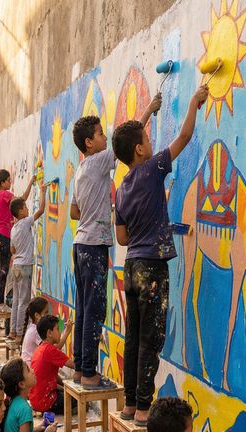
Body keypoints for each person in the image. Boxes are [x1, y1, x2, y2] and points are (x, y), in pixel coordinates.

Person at [112, 85, 208, 426]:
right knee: (151, 338)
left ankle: (128, 404)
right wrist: (194, 102)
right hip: (152, 267)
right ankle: (142, 408)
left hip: (131, 266)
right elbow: (184, 136)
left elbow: (121, 236)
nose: (152, 143)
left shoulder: (121, 188)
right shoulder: (153, 169)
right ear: (140, 149)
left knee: (134, 334)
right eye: (148, 140)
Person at [69, 94, 162, 390]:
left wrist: (96, 209)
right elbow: (126, 142)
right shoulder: (98, 162)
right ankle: (90, 373)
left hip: (80, 243)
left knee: (83, 308)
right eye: (99, 134)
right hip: (94, 246)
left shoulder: (81, 170)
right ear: (89, 144)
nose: (104, 137)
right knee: (95, 310)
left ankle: (80, 368)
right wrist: (149, 109)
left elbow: (74, 211)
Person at [0, 357, 76, 432]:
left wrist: (41, 428)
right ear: (22, 384)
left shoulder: (13, 401)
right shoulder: (24, 408)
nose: (33, 371)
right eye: (28, 370)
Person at [0, 169, 37, 312]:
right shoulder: (4, 194)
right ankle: (0, 304)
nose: (10, 182)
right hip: (4, 235)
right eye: (9, 180)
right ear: (2, 183)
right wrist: (31, 182)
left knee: (0, 269)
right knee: (3, 269)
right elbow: (21, 200)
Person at [8, 182, 48, 342]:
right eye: (25, 207)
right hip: (24, 266)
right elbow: (41, 211)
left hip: (16, 266)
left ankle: (12, 331)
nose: (27, 208)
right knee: (24, 302)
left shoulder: (14, 228)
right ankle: (19, 334)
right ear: (20, 212)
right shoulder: (25, 222)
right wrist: (43, 192)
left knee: (17, 300)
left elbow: (12, 250)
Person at [29, 315, 77, 415]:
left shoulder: (42, 347)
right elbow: (75, 366)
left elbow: (51, 377)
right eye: (58, 329)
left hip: (36, 399)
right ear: (49, 333)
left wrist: (67, 331)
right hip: (45, 401)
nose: (60, 333)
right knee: (79, 401)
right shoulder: (50, 350)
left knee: (67, 392)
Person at [20, 297, 72, 367]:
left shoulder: (33, 327)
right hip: (30, 370)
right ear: (37, 315)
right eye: (46, 312)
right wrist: (67, 331)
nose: (48, 315)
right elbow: (55, 348)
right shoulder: (36, 331)